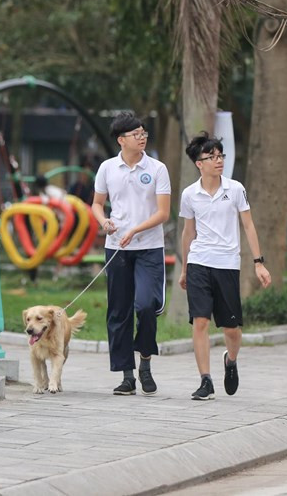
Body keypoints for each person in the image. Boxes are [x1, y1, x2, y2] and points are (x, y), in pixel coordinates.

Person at [178, 132, 271, 401]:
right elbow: (187, 232)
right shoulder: (189, 194)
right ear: (199, 163)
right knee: (200, 321)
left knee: (231, 329)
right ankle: (205, 380)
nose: (218, 161)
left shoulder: (235, 189)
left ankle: (231, 361)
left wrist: (258, 263)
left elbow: (248, 225)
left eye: (221, 156)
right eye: (212, 157)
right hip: (198, 262)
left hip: (227, 264)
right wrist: (185, 269)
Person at [91, 112, 171, 395]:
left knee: (147, 305)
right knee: (119, 311)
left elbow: (163, 213)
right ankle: (127, 375)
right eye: (136, 133)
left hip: (149, 247)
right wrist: (104, 221)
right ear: (121, 139)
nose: (142, 137)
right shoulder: (107, 168)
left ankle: (146, 360)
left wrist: (135, 230)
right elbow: (98, 204)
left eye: (144, 132)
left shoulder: (158, 169)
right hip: (117, 249)